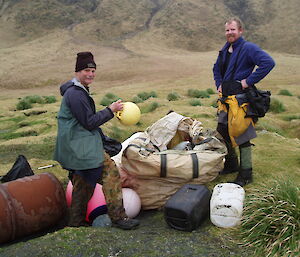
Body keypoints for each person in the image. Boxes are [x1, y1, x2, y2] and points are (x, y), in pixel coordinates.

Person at [54, 51, 139, 229]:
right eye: (86, 70)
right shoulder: (75, 94)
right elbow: (89, 122)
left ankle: (74, 225)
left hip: (75, 146)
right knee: (111, 172)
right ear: (78, 72)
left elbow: (83, 120)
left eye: (93, 70)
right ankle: (118, 217)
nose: (91, 74)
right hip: (81, 147)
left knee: (82, 184)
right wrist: (110, 109)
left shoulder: (75, 90)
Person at [213, 17, 275, 186]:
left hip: (241, 100)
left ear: (240, 31)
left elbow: (268, 63)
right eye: (227, 30)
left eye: (233, 29)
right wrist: (219, 84)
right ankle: (232, 165)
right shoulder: (225, 50)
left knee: (242, 134)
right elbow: (216, 68)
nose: (229, 33)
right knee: (222, 130)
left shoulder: (248, 48)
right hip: (225, 99)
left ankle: (246, 174)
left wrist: (247, 82)